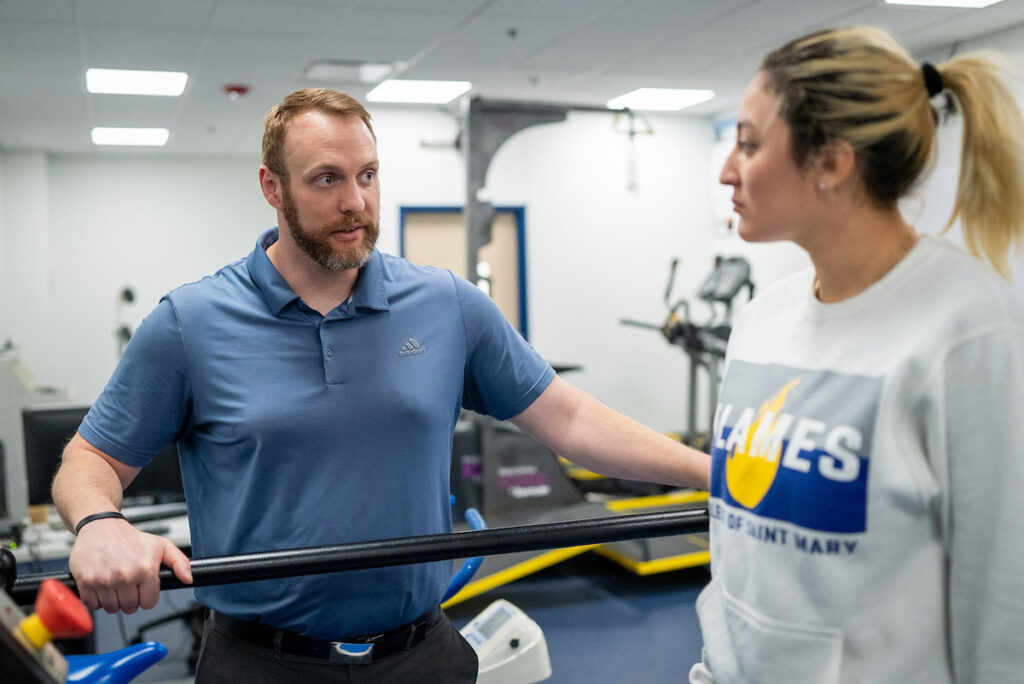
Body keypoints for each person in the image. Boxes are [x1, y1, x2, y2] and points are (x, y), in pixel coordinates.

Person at [50, 88, 711, 683]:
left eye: (368, 176)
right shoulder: (189, 324)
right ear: (271, 188)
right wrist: (100, 522)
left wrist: (713, 474)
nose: (355, 203)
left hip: (423, 657)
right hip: (260, 664)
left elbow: (567, 419)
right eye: (326, 180)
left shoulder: (445, 304)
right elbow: (90, 460)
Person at [692, 26, 1024, 684]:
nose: (728, 170)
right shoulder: (762, 321)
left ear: (831, 163)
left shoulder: (968, 328)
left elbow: (1002, 605)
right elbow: (738, 548)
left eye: (750, 144)